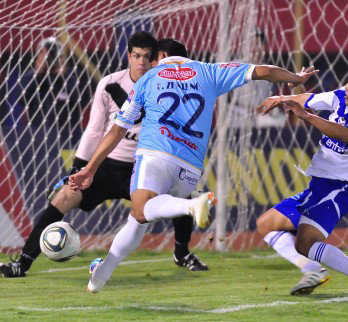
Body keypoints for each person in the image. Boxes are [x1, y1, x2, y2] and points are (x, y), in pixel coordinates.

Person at [68, 37, 318, 293]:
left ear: (161, 55)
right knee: (138, 219)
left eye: (154, 57)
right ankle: (101, 274)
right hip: (190, 168)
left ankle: (192, 205)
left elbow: (117, 129)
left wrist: (89, 168)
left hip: (155, 155)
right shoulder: (209, 71)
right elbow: (263, 71)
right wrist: (296, 79)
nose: (152, 62)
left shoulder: (149, 78)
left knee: (142, 210)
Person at [0, 32, 208, 279]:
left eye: (147, 57)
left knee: (182, 194)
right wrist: (76, 170)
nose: (141, 62)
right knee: (64, 196)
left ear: (155, 59)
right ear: (129, 56)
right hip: (108, 165)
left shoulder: (166, 84)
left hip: (147, 166)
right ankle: (22, 263)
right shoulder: (110, 83)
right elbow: (94, 129)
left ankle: (182, 253)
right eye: (136, 56)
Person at [256, 58, 348, 295]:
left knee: (305, 243)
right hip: (319, 185)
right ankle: (315, 270)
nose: (347, 85)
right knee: (266, 224)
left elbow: (346, 134)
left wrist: (307, 117)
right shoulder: (340, 96)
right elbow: (308, 99)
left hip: (339, 187)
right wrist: (283, 97)